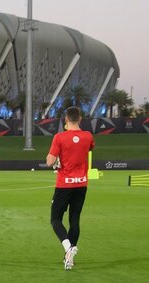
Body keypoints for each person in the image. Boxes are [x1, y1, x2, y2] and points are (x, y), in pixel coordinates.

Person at [45, 106, 94, 270]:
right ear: (80, 119)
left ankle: (68, 248)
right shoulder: (88, 136)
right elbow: (89, 148)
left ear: (66, 119)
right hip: (81, 184)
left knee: (55, 219)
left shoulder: (59, 137)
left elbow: (49, 161)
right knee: (75, 219)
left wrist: (58, 156)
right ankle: (69, 258)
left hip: (65, 184)